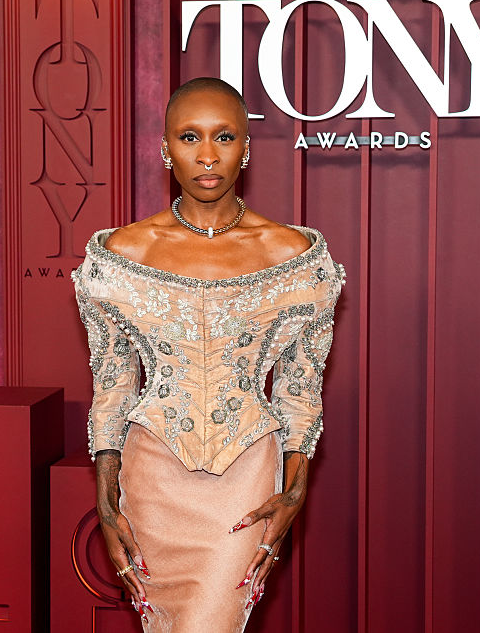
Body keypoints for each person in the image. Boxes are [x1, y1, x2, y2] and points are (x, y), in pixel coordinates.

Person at [70, 77, 345, 632]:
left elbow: (299, 388)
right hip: (152, 474)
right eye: (190, 137)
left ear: (247, 148)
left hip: (245, 476)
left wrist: (294, 491)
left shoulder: (294, 255)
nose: (207, 155)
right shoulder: (120, 255)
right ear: (164, 148)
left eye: (224, 137)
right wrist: (105, 500)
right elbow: (114, 383)